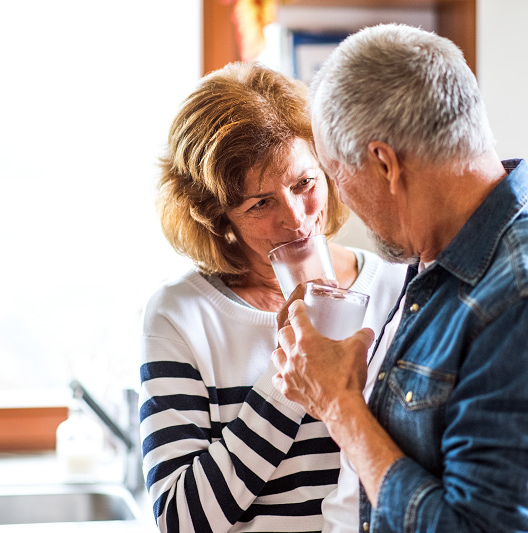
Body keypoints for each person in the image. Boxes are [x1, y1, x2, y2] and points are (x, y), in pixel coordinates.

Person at [272, 24, 528, 533]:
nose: (339, 201)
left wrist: (339, 407)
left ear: (384, 162)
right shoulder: (442, 257)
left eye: (334, 175)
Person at [138, 62, 408, 533]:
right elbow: (181, 523)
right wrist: (291, 374)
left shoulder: (397, 286)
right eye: (261, 203)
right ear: (217, 217)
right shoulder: (180, 316)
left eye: (305, 183)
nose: (298, 218)